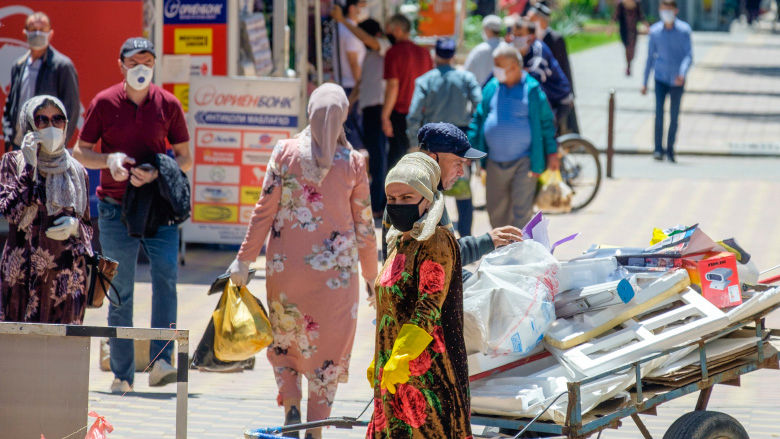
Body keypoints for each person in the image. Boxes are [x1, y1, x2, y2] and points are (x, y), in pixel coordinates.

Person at [227, 84, 377, 439]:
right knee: (328, 351)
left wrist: (243, 261)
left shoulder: (284, 152)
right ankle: (316, 429)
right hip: (336, 281)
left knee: (286, 339)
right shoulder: (354, 163)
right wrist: (373, 277)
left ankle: (292, 406)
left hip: (285, 272)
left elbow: (263, 211)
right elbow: (365, 227)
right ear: (341, 116)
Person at [73, 37, 192, 393]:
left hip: (158, 209)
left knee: (166, 279)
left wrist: (158, 172)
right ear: (121, 63)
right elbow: (80, 151)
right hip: (113, 209)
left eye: (148, 60)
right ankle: (122, 374)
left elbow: (185, 157)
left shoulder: (167, 104)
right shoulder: (105, 102)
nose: (142, 67)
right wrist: (107, 162)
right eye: (134, 61)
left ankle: (161, 363)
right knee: (119, 289)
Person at [367, 152, 471, 438]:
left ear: (427, 199)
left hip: (425, 378)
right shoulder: (400, 239)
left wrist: (400, 357)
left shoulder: (435, 240)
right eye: (392, 199)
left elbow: (429, 306)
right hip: (394, 372)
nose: (397, 205)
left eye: (407, 198)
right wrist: (380, 358)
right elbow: (389, 304)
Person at [381, 123, 525, 274]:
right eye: (458, 163)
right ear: (433, 159)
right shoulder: (419, 200)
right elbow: (440, 258)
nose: (461, 172)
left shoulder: (429, 194)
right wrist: (488, 241)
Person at [0, 95, 91, 324]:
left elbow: (88, 230)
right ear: (30, 124)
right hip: (20, 277)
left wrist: (75, 227)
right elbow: (10, 211)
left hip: (65, 282)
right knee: (19, 353)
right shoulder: (12, 162)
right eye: (42, 120)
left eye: (58, 119)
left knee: (61, 354)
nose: (51, 126)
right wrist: (29, 168)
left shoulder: (77, 172)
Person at [468, 45, 559, 228]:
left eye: (499, 65)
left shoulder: (532, 90)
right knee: (496, 211)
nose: (495, 70)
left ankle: (519, 252)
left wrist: (552, 153)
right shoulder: (491, 87)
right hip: (494, 161)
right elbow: (478, 119)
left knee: (522, 212)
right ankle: (501, 252)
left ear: (515, 67)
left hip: (524, 161)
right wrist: (468, 150)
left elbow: (547, 124)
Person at [406, 39, 481, 237]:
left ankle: (433, 238)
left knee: (430, 192)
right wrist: (472, 135)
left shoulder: (425, 80)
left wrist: (415, 144)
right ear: (453, 55)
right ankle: (465, 239)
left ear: (435, 56)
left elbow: (413, 114)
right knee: (463, 191)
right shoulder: (466, 78)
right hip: (460, 144)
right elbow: (479, 106)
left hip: (433, 145)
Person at [330, 6, 391, 217]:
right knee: (373, 156)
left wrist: (344, 22)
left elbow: (369, 40)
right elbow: (361, 84)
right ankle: (373, 200)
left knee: (378, 157)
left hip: (377, 109)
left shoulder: (383, 47)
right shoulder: (370, 56)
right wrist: (347, 104)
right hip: (367, 109)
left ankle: (377, 204)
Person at [3, 12, 80, 152]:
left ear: (50, 34)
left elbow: (71, 110)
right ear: (25, 33)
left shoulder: (62, 66)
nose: (37, 33)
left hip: (46, 149)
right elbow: (10, 106)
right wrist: (9, 135)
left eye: (42, 29)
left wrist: (57, 144)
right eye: (33, 29)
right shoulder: (19, 66)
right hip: (18, 145)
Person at [641, 0, 692, 163]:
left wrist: (682, 73)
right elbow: (649, 58)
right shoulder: (655, 32)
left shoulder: (684, 30)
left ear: (675, 10)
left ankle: (670, 149)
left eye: (669, 9)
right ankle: (658, 149)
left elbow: (689, 55)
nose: (666, 13)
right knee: (658, 114)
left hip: (677, 79)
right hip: (660, 78)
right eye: (664, 9)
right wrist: (644, 82)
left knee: (674, 115)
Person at [382, 14, 433, 170]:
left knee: (397, 161)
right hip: (423, 114)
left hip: (400, 113)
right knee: (421, 161)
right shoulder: (424, 53)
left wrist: (384, 116)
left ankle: (394, 194)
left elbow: (393, 86)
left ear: (397, 30)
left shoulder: (393, 53)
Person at [512, 20, 573, 135]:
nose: (516, 38)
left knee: (541, 133)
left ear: (531, 37)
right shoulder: (516, 50)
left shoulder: (538, 51)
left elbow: (535, 79)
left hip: (557, 100)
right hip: (542, 97)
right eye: (514, 35)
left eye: (520, 35)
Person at [528, 2, 579, 134]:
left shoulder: (555, 39)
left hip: (555, 91)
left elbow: (564, 67)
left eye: (532, 20)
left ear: (542, 22)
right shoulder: (531, 40)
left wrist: (571, 92)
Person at [333, 0, 368, 150]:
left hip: (345, 85)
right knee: (354, 138)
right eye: (361, 6)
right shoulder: (351, 32)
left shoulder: (340, 28)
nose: (364, 9)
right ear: (352, 9)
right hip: (352, 87)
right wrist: (359, 88)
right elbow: (354, 62)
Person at [463, 15, 504, 86]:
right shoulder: (507, 49)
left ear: (487, 29)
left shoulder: (478, 50)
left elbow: (467, 72)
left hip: (480, 92)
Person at [614, 0, 646, 76]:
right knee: (627, 48)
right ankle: (628, 65)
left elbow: (641, 16)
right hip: (624, 31)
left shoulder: (637, 4)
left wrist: (646, 25)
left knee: (633, 49)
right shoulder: (621, 5)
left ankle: (630, 62)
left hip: (633, 31)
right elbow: (615, 16)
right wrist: (610, 28)